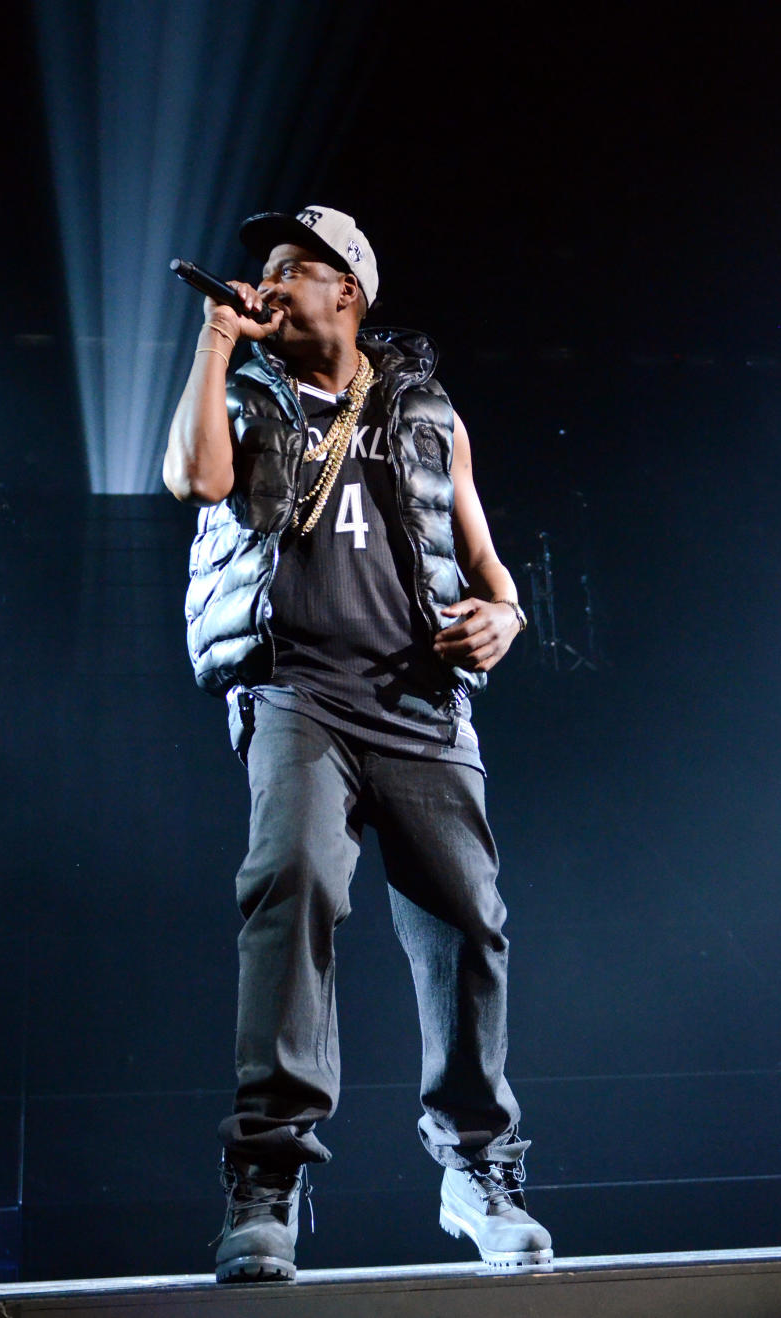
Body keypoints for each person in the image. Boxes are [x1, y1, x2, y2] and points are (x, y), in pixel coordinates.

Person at [163, 205, 551, 1283]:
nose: (273, 283)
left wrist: (505, 618)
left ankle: (477, 1168)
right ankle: (268, 1180)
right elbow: (193, 482)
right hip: (298, 695)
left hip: (421, 703)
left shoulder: (430, 414)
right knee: (290, 885)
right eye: (265, 270)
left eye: (297, 267)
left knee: (469, 919)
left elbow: (490, 566)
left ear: (352, 291)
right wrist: (215, 341)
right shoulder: (243, 391)